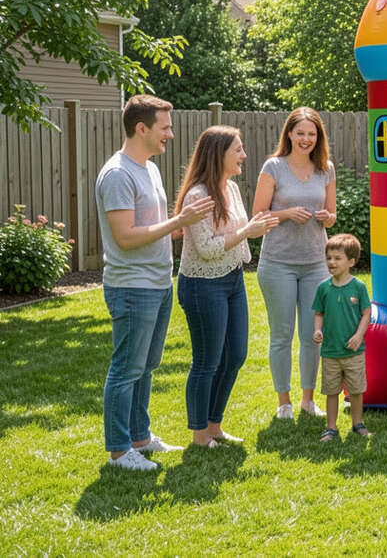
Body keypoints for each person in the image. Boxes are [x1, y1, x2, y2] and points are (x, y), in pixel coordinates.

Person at [96, 94, 214, 471]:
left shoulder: (150, 168)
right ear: (141, 128)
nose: (171, 134)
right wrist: (179, 222)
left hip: (158, 282)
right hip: (132, 285)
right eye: (165, 127)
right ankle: (118, 451)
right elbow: (126, 237)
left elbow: (154, 228)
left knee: (146, 365)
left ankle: (140, 438)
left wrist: (181, 227)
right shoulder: (118, 174)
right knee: (126, 368)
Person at [175, 126, 278, 447]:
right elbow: (206, 248)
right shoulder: (197, 196)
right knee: (208, 360)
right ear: (218, 155)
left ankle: (214, 425)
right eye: (238, 150)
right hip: (202, 284)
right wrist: (249, 230)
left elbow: (237, 235)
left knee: (235, 354)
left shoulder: (230, 189)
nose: (244, 155)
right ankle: (199, 433)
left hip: (231, 278)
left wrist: (254, 230)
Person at [252, 107, 337, 420]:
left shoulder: (325, 169)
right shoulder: (273, 167)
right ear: (289, 134)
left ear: (318, 138)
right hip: (278, 263)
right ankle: (283, 403)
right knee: (282, 335)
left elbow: (332, 214)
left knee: (312, 335)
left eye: (311, 134)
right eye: (300, 133)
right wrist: (287, 213)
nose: (306, 139)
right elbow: (258, 216)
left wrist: (328, 217)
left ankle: (307, 400)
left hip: (316, 262)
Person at [311, 234, 372, 442]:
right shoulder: (323, 288)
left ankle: (358, 423)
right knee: (331, 391)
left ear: (351, 262)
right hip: (330, 351)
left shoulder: (359, 287)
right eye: (329, 258)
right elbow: (318, 313)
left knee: (355, 390)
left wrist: (358, 335)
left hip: (353, 351)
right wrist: (317, 331)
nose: (331, 262)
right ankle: (331, 428)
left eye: (337, 258)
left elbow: (366, 313)